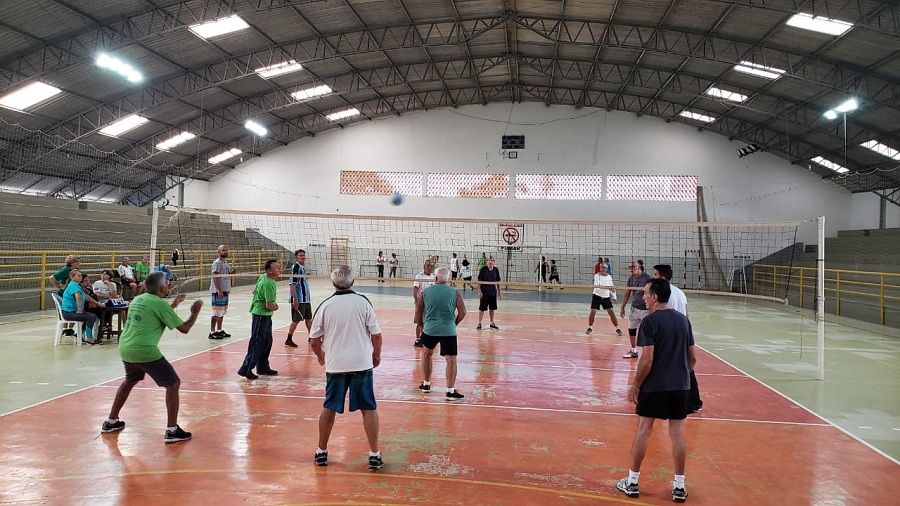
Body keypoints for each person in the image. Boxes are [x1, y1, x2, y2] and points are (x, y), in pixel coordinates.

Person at [100, 271, 203, 444]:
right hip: (144, 350)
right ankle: (172, 430)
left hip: (125, 347)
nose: (169, 285)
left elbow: (155, 313)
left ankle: (111, 421)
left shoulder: (139, 300)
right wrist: (195, 312)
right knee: (173, 383)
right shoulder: (159, 304)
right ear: (162, 287)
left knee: (131, 380)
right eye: (167, 283)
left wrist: (174, 304)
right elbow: (184, 328)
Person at [616, 278, 695, 503]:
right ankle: (679, 486)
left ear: (655, 297)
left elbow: (647, 359)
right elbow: (693, 359)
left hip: (655, 387)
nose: (642, 298)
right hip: (680, 386)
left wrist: (635, 386)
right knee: (677, 434)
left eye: (646, 294)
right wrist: (679, 376)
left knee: (643, 430)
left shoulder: (649, 323)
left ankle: (632, 482)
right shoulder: (683, 321)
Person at [309, 265, 384, 470]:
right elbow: (376, 335)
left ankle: (321, 451)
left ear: (333, 283)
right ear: (353, 281)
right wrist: (376, 355)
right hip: (361, 363)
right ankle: (374, 454)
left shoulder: (325, 306)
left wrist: (321, 356)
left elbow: (314, 340)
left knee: (329, 406)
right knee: (368, 407)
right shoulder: (364, 302)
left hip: (336, 365)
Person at [653, 264, 701, 413]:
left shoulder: (666, 294)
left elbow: (666, 315)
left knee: (664, 368)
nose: (653, 277)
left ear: (662, 277)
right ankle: (695, 402)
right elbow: (686, 314)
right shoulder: (680, 292)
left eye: (655, 274)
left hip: (672, 334)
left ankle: (663, 401)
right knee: (686, 368)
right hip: (684, 331)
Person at [415, 267, 466, 400]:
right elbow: (463, 312)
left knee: (427, 354)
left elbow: (418, 313)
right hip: (448, 330)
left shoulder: (425, 292)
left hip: (430, 329)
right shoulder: (455, 292)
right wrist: (453, 324)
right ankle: (450, 391)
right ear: (447, 279)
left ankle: (426, 384)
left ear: (435, 278)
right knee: (451, 359)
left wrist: (423, 326)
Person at [237, 260, 281, 379]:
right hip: (260, 315)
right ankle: (246, 369)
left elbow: (254, 290)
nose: (279, 269)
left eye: (279, 266)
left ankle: (262, 367)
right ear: (269, 270)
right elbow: (269, 305)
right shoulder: (268, 283)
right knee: (257, 342)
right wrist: (276, 306)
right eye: (276, 267)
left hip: (265, 316)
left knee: (267, 341)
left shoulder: (264, 277)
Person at [619, 260, 651, 359]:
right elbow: (627, 293)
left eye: (632, 267)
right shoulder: (631, 279)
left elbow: (652, 294)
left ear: (638, 267)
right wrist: (622, 307)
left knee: (647, 332)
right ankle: (634, 350)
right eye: (629, 267)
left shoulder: (647, 278)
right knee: (631, 329)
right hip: (634, 308)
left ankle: (649, 353)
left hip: (646, 310)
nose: (630, 269)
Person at [61, 270, 101, 345]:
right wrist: (80, 311)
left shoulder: (77, 285)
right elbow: (78, 298)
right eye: (78, 276)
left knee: (93, 316)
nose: (80, 277)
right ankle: (90, 339)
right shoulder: (73, 285)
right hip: (68, 312)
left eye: (81, 276)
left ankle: (79, 334)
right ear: (72, 277)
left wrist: (98, 304)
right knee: (90, 317)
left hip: (72, 311)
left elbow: (86, 297)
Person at [286, 249, 312, 348]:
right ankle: (289, 339)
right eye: (301, 255)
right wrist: (295, 300)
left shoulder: (302, 268)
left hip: (306, 299)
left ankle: (312, 337)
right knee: (296, 320)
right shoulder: (295, 267)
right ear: (296, 257)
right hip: (299, 299)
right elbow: (292, 284)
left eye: (303, 255)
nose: (303, 257)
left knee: (309, 319)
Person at [587, 263, 622, 336]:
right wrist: (609, 288)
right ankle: (590, 327)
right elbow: (599, 286)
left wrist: (614, 297)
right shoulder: (597, 275)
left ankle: (617, 328)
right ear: (600, 268)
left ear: (607, 269)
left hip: (606, 296)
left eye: (604, 268)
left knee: (611, 312)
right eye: (601, 267)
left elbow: (612, 287)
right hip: (597, 296)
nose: (603, 269)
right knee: (593, 311)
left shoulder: (609, 277)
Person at [209, 244, 234, 340]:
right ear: (218, 251)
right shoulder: (216, 263)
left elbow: (225, 276)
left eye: (226, 250)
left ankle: (219, 330)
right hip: (218, 291)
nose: (225, 251)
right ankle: (212, 332)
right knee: (216, 313)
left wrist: (231, 274)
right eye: (223, 250)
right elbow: (215, 278)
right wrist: (219, 290)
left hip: (225, 291)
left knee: (222, 312)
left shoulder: (226, 263)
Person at [412, 260, 436, 347]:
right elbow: (415, 288)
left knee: (428, 321)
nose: (429, 268)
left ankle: (426, 338)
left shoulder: (434, 277)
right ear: (424, 266)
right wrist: (416, 300)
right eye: (428, 266)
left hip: (430, 303)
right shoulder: (419, 276)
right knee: (419, 321)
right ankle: (418, 339)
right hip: (421, 303)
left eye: (431, 266)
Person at [476, 256, 502, 330]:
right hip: (484, 293)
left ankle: (492, 323)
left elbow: (498, 282)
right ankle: (479, 323)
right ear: (487, 262)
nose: (490, 262)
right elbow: (479, 281)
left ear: (494, 262)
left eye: (492, 260)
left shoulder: (496, 270)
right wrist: (479, 291)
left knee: (492, 308)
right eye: (489, 260)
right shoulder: (483, 269)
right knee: (482, 308)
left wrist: (499, 292)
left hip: (493, 292)